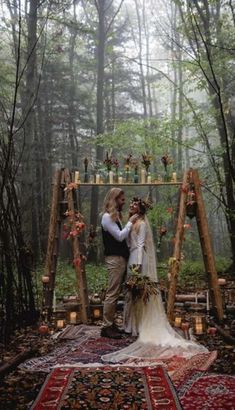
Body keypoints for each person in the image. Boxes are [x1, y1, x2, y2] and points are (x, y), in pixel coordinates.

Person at [102, 196, 208, 362]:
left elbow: (140, 244)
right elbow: (127, 242)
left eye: (134, 204)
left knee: (139, 291)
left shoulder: (142, 224)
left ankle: (139, 325)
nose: (131, 205)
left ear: (140, 209)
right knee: (130, 293)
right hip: (131, 257)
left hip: (137, 259)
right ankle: (131, 325)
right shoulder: (130, 222)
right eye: (130, 203)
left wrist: (136, 265)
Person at [100, 188, 138, 339]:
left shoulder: (115, 217)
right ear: (115, 200)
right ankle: (106, 327)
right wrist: (129, 223)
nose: (124, 202)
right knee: (112, 293)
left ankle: (111, 324)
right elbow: (120, 236)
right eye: (122, 199)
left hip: (120, 258)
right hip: (114, 259)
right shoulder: (106, 217)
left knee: (116, 293)